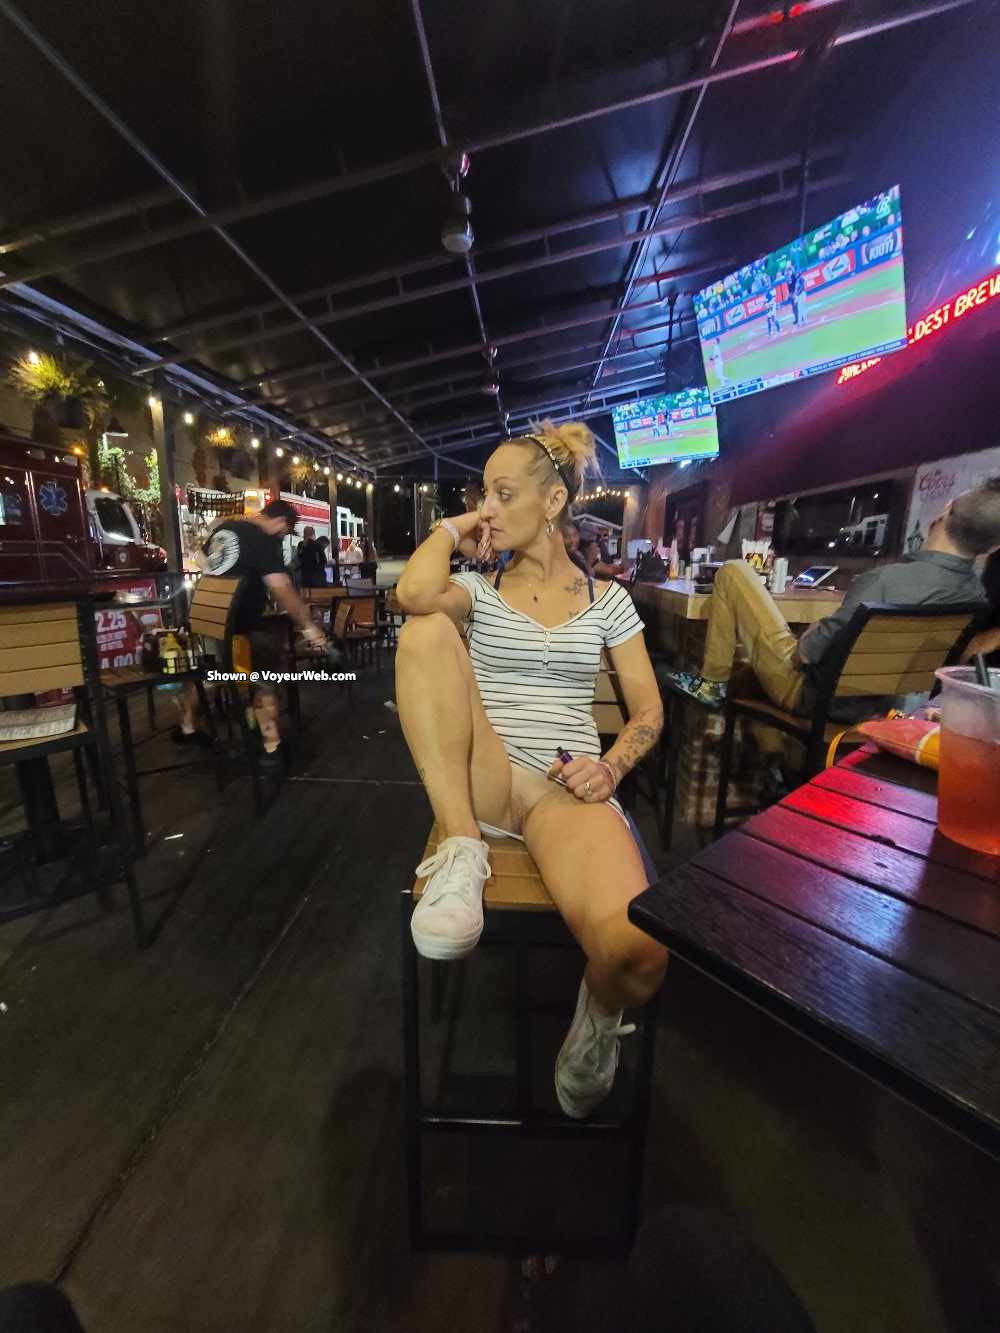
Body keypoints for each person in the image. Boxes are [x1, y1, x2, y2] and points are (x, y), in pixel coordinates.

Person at [395, 420, 666, 1120]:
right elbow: (414, 594)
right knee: (423, 631)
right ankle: (462, 847)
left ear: (553, 502)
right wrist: (456, 526)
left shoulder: (607, 601)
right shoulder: (477, 589)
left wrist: (611, 767)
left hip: (560, 788)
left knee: (639, 953)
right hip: (484, 777)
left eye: (503, 493)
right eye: (482, 494)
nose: (487, 508)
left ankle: (597, 1015)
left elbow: (648, 710)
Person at [666, 476, 1000, 717]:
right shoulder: (974, 598)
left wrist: (814, 630)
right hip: (879, 708)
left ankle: (712, 683)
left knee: (734, 571)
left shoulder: (882, 581)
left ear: (945, 510)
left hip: (812, 698)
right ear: (992, 546)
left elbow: (806, 654)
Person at [175, 498, 326, 759]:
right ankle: (270, 747)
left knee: (210, 675)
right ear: (281, 521)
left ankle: (187, 727)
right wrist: (308, 627)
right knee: (267, 674)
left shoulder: (226, 529)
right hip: (238, 623)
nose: (283, 537)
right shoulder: (263, 541)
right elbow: (282, 589)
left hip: (206, 618)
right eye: (286, 531)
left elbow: (201, 559)